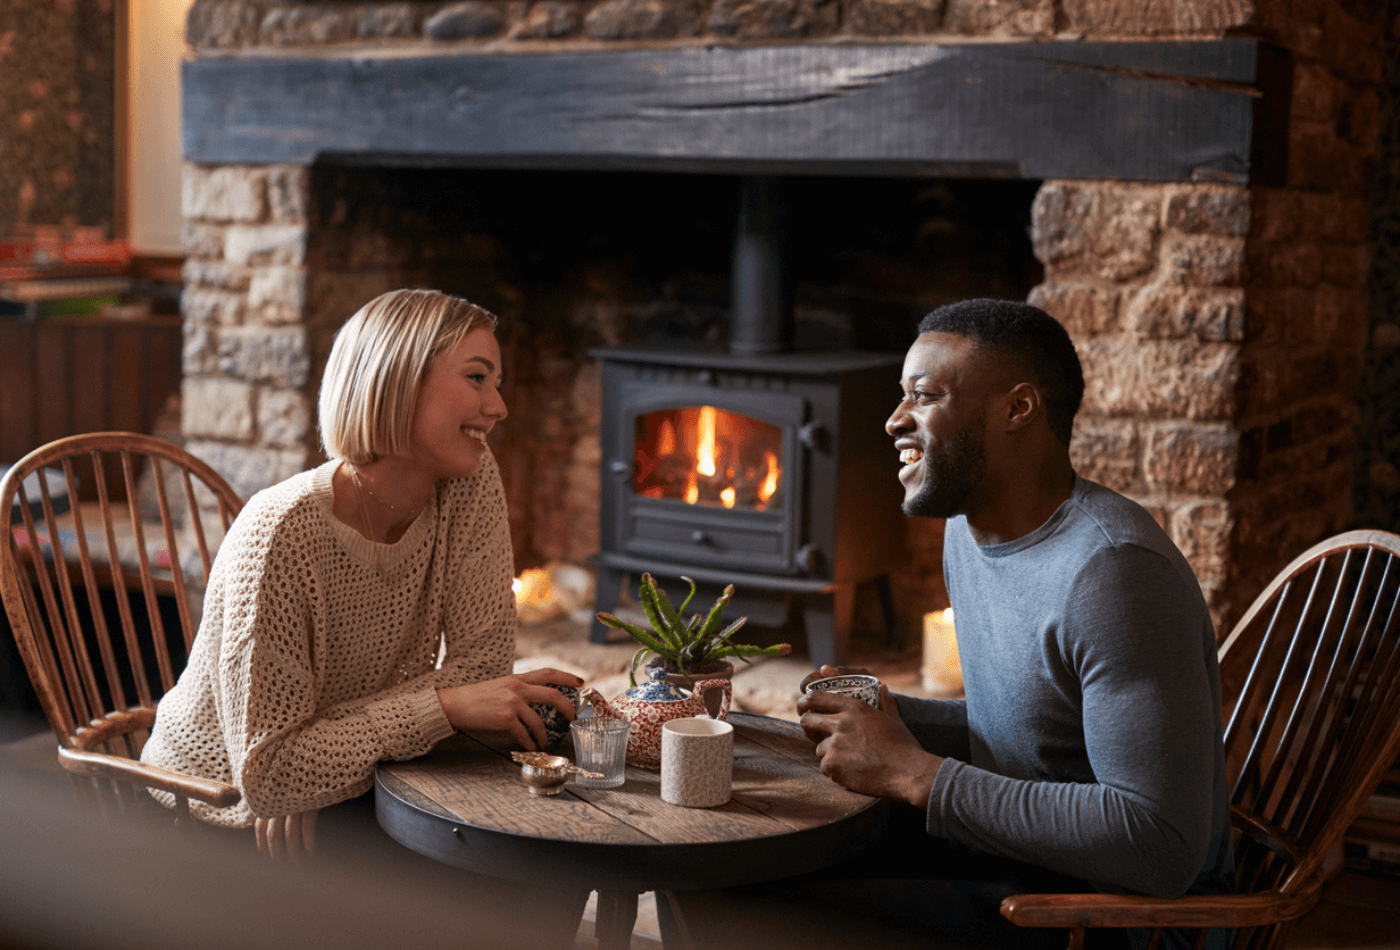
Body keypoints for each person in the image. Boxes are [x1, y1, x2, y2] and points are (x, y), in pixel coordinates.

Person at [663, 299, 1234, 950]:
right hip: (1018, 856)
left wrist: (914, 773)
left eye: (924, 396)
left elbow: (1159, 846)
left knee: (735, 903)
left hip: (1103, 919)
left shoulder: (1115, 574)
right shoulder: (970, 529)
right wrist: (884, 715)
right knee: (711, 856)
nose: (893, 420)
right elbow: (1032, 738)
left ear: (1018, 410)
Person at [140, 288, 583, 862]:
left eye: (496, 383)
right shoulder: (282, 534)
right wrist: (440, 709)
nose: (498, 408)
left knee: (546, 848)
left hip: (361, 774)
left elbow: (484, 670)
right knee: (493, 874)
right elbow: (273, 775)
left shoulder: (470, 481)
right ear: (397, 381)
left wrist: (331, 758)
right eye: (477, 379)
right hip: (216, 807)